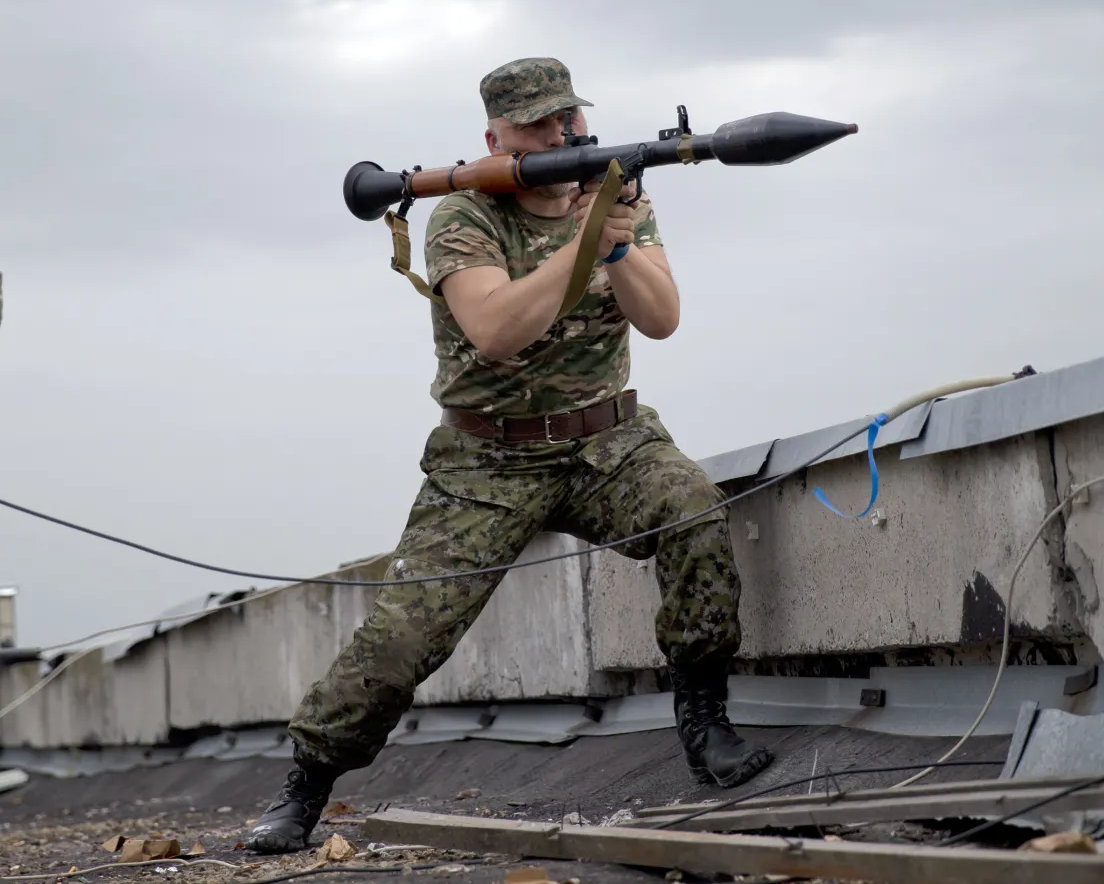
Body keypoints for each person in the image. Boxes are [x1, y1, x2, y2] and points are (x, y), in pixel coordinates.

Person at [245, 57, 774, 854]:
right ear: (495, 136)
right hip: (485, 463)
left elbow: (662, 319)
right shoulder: (462, 214)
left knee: (695, 506)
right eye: (537, 123)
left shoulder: (621, 199)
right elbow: (496, 328)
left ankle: (704, 719)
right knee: (399, 641)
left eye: (567, 118)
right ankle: (308, 780)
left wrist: (619, 240)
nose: (558, 134)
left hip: (608, 440)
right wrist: (588, 244)